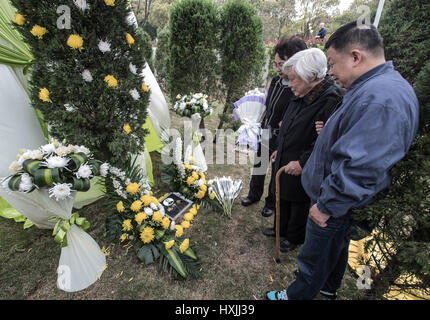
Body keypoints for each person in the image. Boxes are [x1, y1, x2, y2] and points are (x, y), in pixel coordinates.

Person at [266, 21, 419, 300]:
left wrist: (326, 205)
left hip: (336, 204)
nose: (331, 71)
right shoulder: (375, 89)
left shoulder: (381, 98)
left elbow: (363, 165)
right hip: (338, 201)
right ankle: (328, 288)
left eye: (333, 63)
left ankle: (296, 296)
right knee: (335, 251)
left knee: (312, 261)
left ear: (356, 57)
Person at [262, 48, 343, 252]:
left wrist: (303, 162)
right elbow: (289, 121)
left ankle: (293, 236)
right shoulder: (302, 90)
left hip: (304, 160)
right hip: (287, 151)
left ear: (313, 77)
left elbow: (324, 140)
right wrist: (279, 147)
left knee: (298, 198)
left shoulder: (330, 99)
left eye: (294, 80)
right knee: (282, 192)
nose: (290, 85)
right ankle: (279, 228)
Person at [241, 37, 307, 218]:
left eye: (282, 64)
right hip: (266, 129)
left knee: (276, 168)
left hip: (283, 136)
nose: (278, 69)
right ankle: (254, 195)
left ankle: (271, 202)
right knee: (259, 164)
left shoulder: (298, 86)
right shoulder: (276, 81)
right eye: (275, 64)